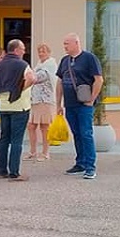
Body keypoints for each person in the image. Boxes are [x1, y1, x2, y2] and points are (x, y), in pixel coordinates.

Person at [56, 33, 103, 179]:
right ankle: (80, 163)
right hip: (70, 104)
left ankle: (90, 166)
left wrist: (92, 99)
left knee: (86, 134)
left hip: (84, 104)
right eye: (64, 44)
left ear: (76, 43)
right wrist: (58, 103)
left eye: (67, 43)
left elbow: (99, 80)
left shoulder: (89, 58)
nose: (65, 46)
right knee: (76, 134)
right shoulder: (64, 61)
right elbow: (59, 83)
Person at [0, 39, 35, 181]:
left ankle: (2, 170)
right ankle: (14, 172)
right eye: (22, 49)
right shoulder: (22, 64)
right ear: (16, 50)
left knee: (4, 138)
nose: (24, 51)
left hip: (4, 106)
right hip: (20, 106)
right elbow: (31, 78)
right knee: (17, 140)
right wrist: (20, 89)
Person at [26, 43, 58, 162]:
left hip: (46, 99)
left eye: (43, 51)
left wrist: (29, 75)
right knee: (31, 126)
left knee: (45, 127)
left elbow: (39, 77)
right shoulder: (39, 64)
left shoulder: (50, 64)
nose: (41, 54)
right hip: (35, 99)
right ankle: (33, 151)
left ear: (49, 53)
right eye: (39, 51)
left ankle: (45, 152)